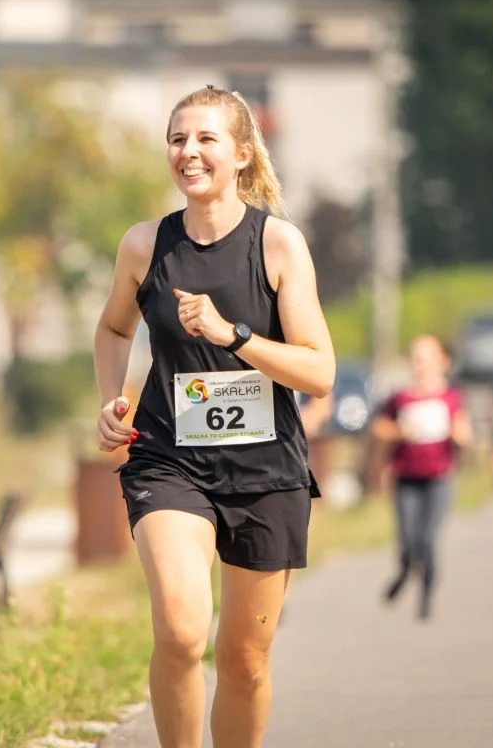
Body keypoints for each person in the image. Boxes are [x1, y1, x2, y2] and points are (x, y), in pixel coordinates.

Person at [93, 84, 335, 748]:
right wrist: (111, 399)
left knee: (245, 662)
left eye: (205, 139)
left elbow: (319, 371)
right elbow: (113, 330)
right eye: (177, 139)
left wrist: (234, 336)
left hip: (266, 472)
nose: (189, 152)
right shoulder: (145, 246)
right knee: (178, 628)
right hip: (169, 463)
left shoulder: (278, 246)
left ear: (241, 154)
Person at [370, 335, 472, 621]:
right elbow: (379, 428)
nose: (420, 365)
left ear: (442, 362)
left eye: (426, 358)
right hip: (406, 479)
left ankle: (426, 596)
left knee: (427, 539)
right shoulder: (400, 397)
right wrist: (400, 432)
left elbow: (464, 432)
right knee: (407, 540)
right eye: (416, 358)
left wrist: (461, 437)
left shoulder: (451, 397)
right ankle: (404, 572)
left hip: (439, 479)